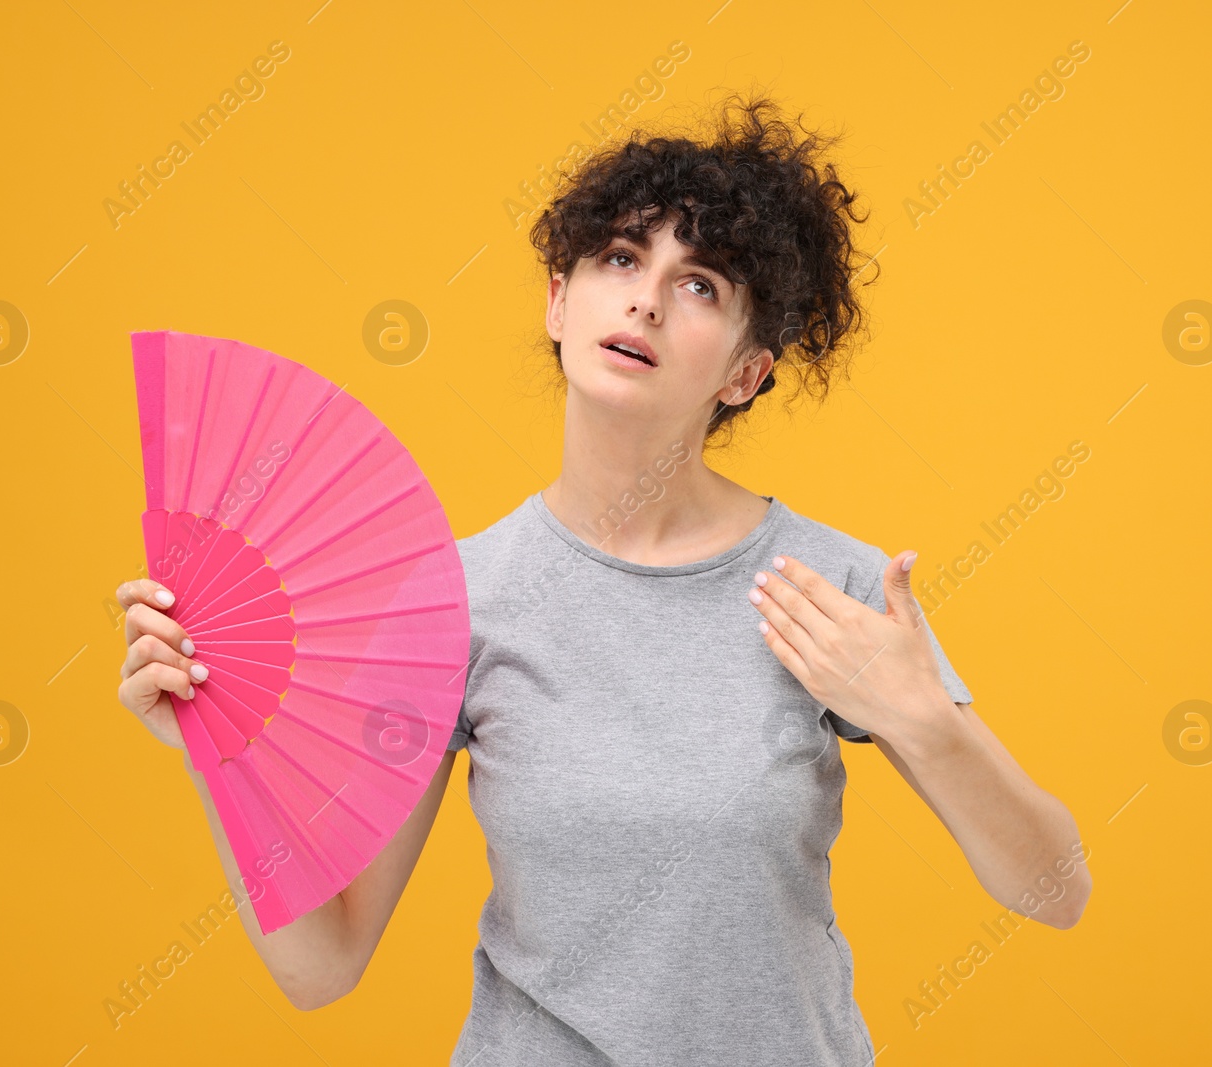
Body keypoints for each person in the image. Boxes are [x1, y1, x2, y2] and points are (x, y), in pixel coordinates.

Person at [115, 92, 1090, 1065]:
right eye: (621, 259)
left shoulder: (827, 587)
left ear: (745, 374)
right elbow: (321, 964)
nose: (646, 299)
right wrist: (216, 741)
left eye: (699, 282)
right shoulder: (454, 602)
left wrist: (925, 718)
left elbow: (1056, 891)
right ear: (557, 299)